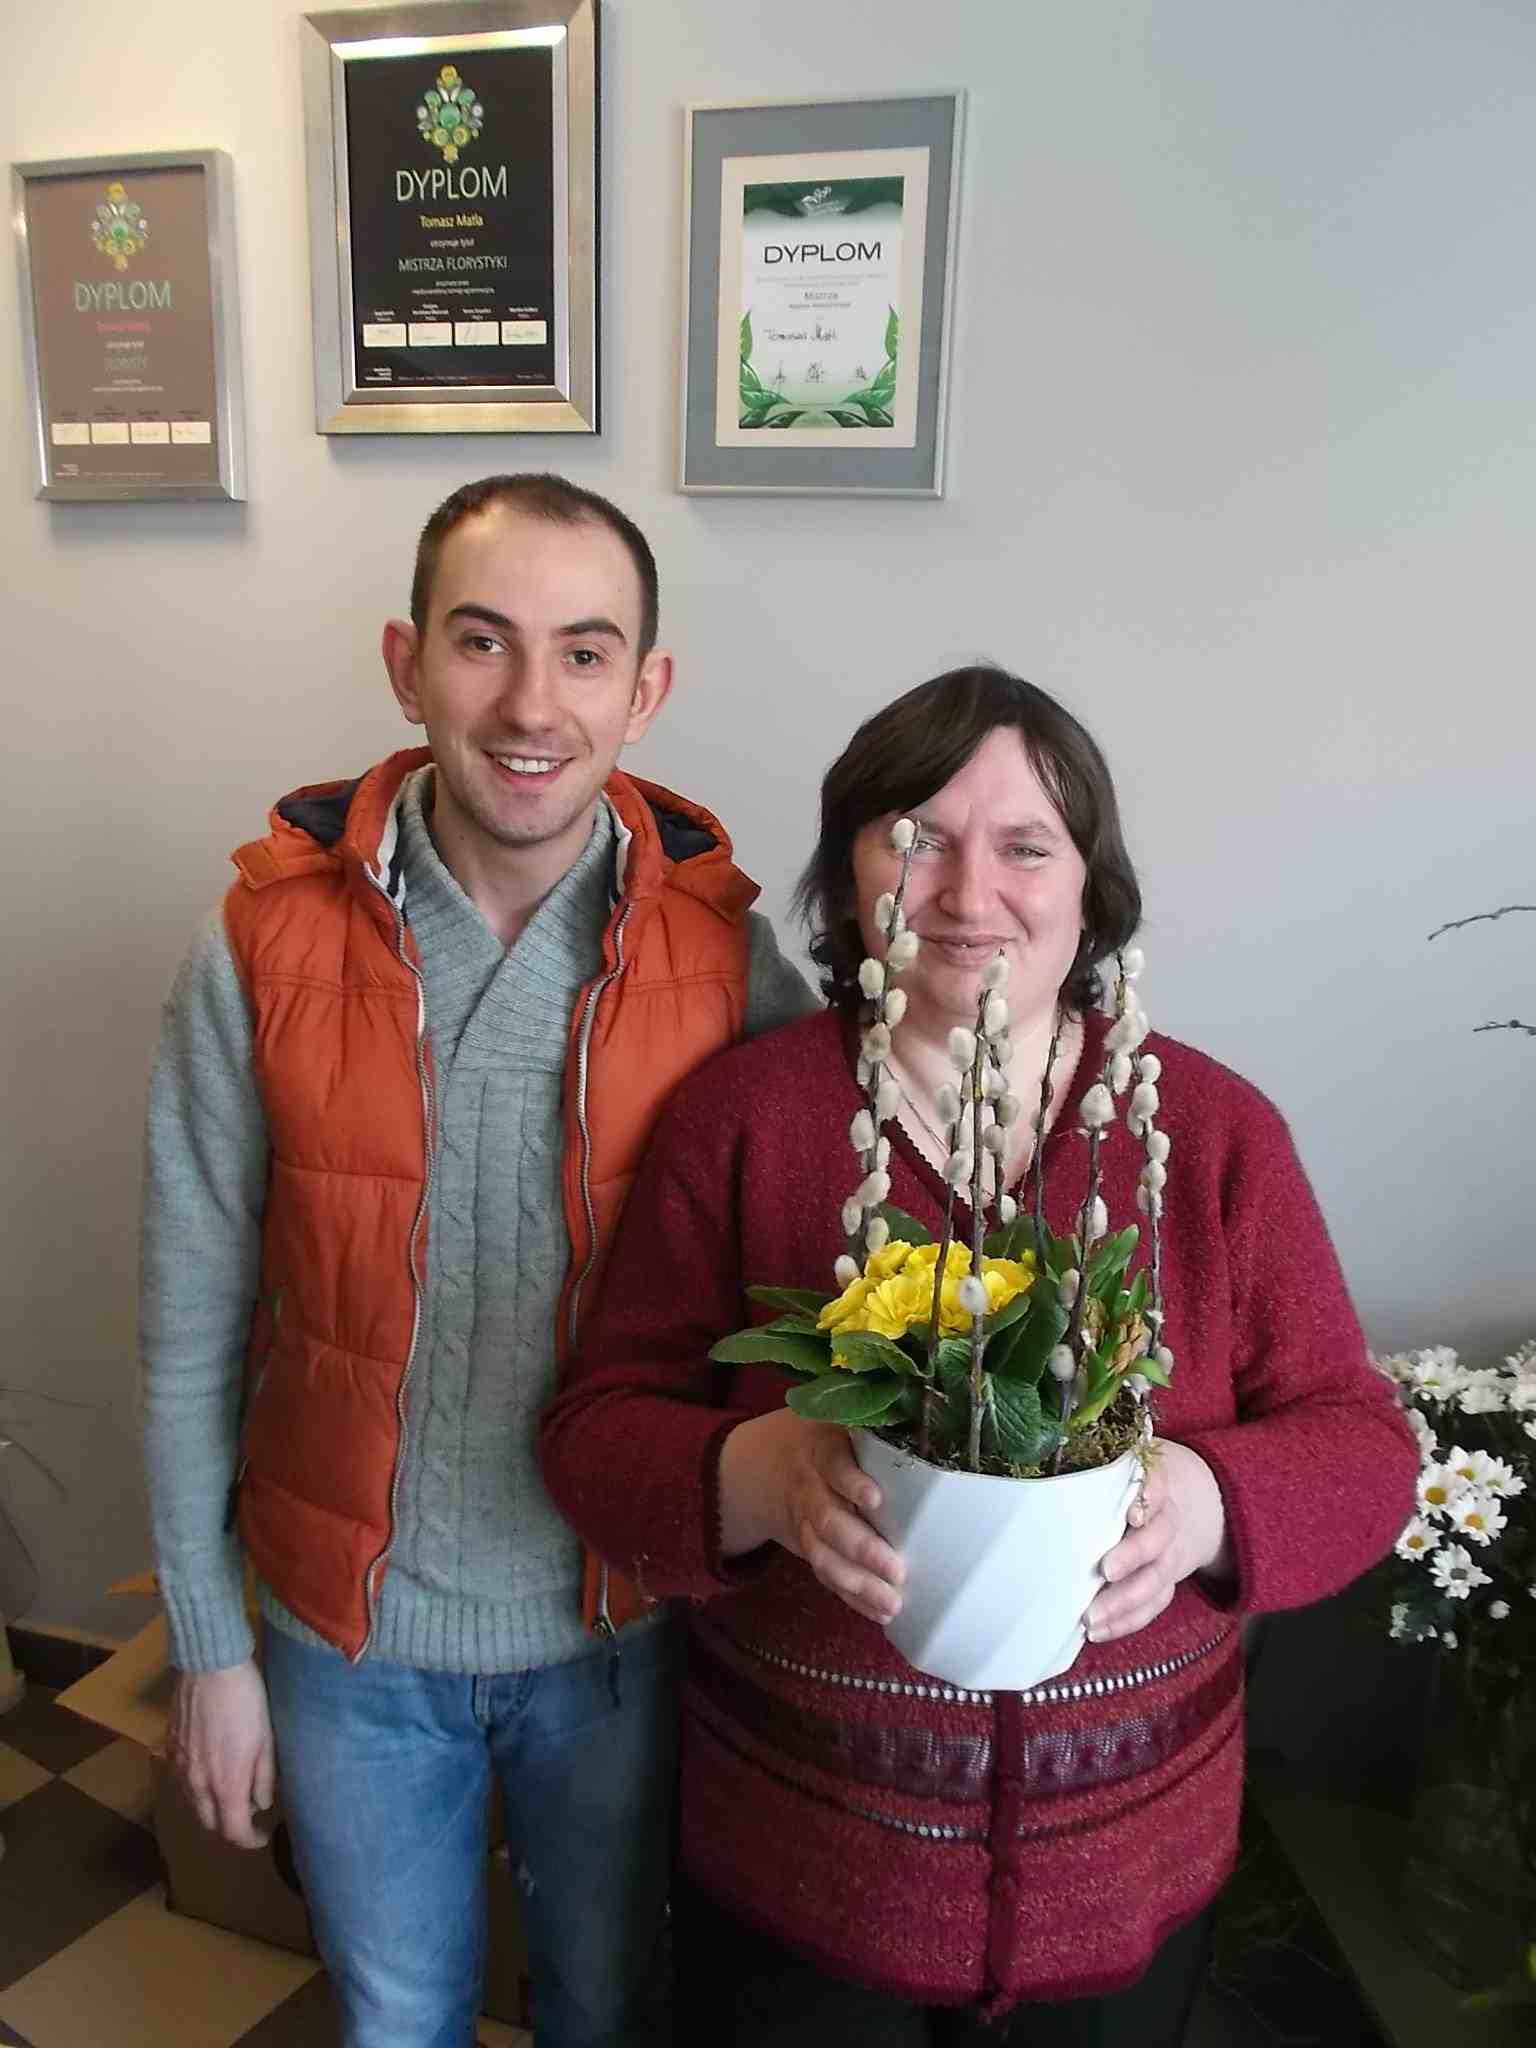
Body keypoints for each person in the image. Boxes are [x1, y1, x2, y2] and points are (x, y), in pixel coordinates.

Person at [539, 665, 1419, 2047]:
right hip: (804, 1877)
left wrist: (1203, 1506)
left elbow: (1364, 1450)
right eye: (918, 837)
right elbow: (593, 1439)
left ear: (1092, 893)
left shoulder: (1211, 1136)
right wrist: (755, 1478)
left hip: (1126, 1883)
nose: (968, 892)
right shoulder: (746, 1123)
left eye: (1026, 847)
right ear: (848, 875)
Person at [139, 471, 816, 2048]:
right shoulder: (260, 948)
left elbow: (826, 1269)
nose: (530, 704)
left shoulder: (724, 961)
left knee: (606, 2001)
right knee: (397, 2013)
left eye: (585, 652)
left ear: (646, 691)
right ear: (406, 664)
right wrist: (212, 1651)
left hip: (617, 1631)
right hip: (345, 1641)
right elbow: (188, 1328)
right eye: (481, 641)